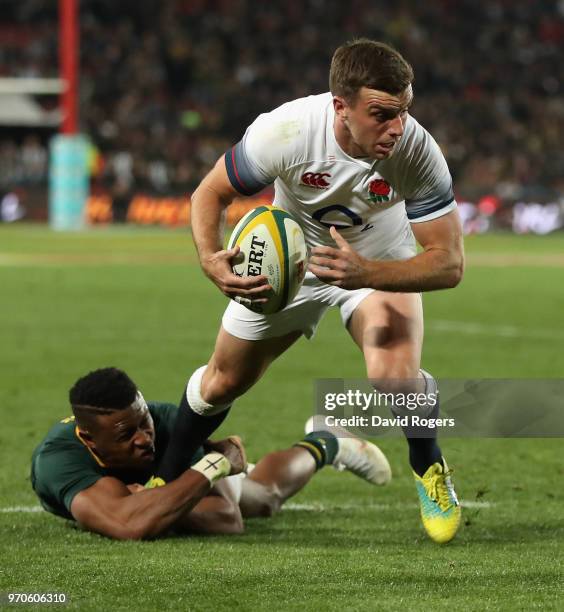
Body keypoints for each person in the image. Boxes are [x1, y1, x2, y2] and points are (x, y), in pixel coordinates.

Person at [157, 39, 464, 544]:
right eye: (382, 113)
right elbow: (210, 192)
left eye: (405, 111)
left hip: (377, 262)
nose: (398, 127)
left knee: (394, 379)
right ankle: (163, 478)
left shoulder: (415, 150)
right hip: (292, 262)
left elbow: (449, 263)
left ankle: (429, 468)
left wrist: (365, 272)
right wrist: (210, 258)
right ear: (340, 107)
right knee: (221, 382)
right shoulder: (288, 132)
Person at [31, 367, 391, 540]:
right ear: (91, 442)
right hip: (186, 480)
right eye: (127, 434)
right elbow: (128, 522)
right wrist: (154, 503)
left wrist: (213, 465)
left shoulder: (170, 423)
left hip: (205, 473)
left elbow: (227, 519)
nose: (145, 438)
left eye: (144, 422)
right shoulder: (60, 459)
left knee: (262, 499)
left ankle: (326, 442)